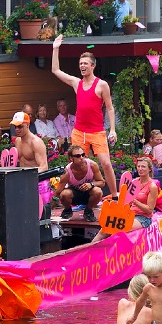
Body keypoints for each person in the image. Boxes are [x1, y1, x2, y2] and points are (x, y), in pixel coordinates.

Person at [51, 36, 118, 197]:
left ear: (92, 66)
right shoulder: (76, 83)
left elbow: (109, 108)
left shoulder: (101, 85)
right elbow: (56, 71)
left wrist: (113, 130)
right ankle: (73, 194)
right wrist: (55, 48)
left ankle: (115, 196)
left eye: (85, 63)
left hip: (96, 131)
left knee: (106, 164)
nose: (82, 66)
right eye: (80, 63)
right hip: (79, 131)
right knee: (77, 165)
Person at [57, 145, 104, 222]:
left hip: (89, 195)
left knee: (98, 191)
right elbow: (58, 192)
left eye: (83, 155)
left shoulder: (92, 165)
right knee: (64, 194)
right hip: (74, 196)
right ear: (71, 158)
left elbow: (102, 182)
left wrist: (91, 184)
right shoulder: (67, 172)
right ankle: (67, 210)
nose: (81, 157)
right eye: (78, 156)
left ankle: (89, 211)